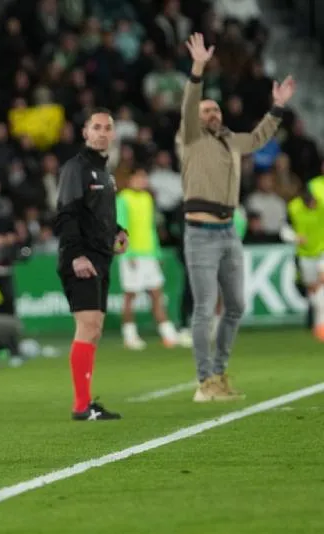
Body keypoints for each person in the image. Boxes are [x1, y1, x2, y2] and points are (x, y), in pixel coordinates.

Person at [179, 33, 295, 402]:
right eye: (206, 111)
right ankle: (204, 382)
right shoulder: (191, 138)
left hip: (229, 233)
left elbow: (258, 138)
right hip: (199, 232)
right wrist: (198, 68)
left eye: (216, 110)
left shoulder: (230, 141)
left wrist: (276, 108)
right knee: (203, 308)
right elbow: (189, 103)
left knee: (236, 307)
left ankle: (219, 372)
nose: (213, 114)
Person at [54, 108, 129, 421]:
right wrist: (76, 256)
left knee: (94, 328)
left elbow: (99, 214)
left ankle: (84, 403)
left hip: (101, 257)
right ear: (85, 132)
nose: (101, 132)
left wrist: (119, 231)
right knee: (87, 326)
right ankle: (81, 406)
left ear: (113, 134)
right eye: (95, 127)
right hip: (81, 258)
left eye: (107, 128)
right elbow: (66, 212)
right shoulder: (77, 168)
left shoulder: (105, 172)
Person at [116, 167, 179, 350]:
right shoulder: (123, 199)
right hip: (132, 255)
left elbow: (151, 229)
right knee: (130, 296)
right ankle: (129, 335)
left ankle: (168, 334)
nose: (143, 181)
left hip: (149, 255)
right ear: (130, 179)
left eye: (144, 177)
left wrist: (157, 253)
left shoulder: (147, 199)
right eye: (139, 177)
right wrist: (128, 253)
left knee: (157, 294)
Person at [281, 189, 324, 341]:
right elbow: (284, 230)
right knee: (313, 290)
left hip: (322, 250)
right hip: (305, 254)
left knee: (321, 281)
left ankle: (320, 324)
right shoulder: (294, 207)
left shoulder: (322, 203)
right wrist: (295, 237)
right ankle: (318, 324)